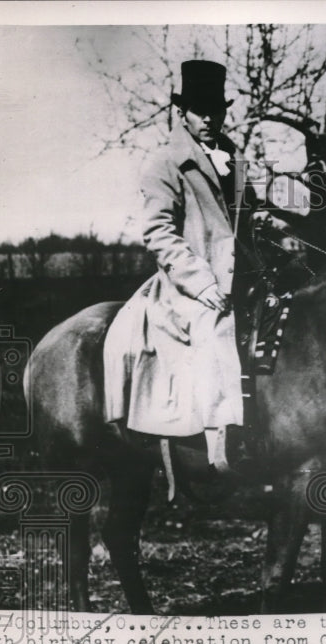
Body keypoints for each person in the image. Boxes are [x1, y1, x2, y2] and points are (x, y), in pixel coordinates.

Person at [104, 60, 258, 476]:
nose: (209, 118)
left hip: (241, 273)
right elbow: (159, 233)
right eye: (199, 109)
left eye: (216, 109)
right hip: (190, 284)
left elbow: (248, 220)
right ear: (182, 112)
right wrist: (201, 281)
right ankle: (217, 443)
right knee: (215, 327)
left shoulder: (234, 158)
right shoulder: (166, 162)